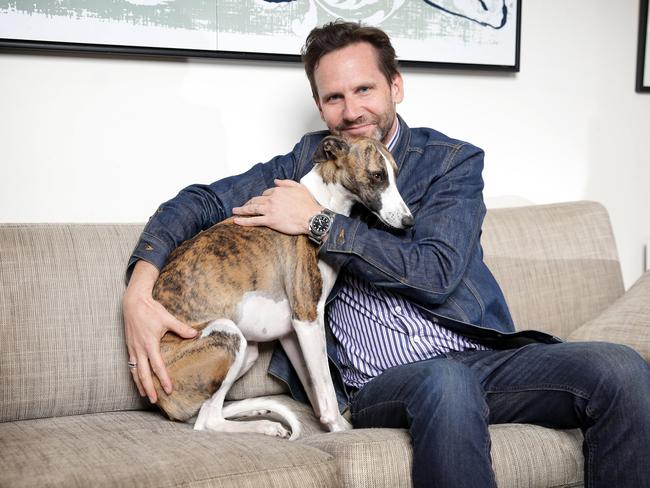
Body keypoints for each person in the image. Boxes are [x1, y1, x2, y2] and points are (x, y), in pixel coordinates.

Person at [123, 20, 650, 488]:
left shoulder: (450, 164)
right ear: (320, 106)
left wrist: (317, 223)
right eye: (334, 97)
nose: (352, 110)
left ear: (395, 86)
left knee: (621, 368)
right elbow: (200, 201)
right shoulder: (311, 162)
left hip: (480, 361)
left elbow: (436, 273)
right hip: (383, 385)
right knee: (445, 382)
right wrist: (139, 288)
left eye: (365, 88)